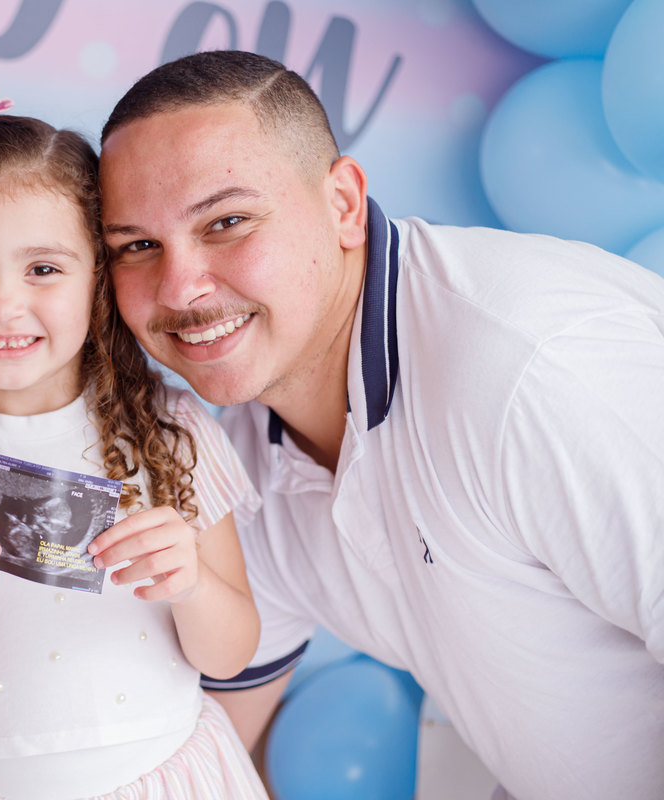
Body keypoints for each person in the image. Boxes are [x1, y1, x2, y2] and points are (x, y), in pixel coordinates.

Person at [97, 49, 664, 800]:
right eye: (137, 246)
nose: (178, 288)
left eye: (227, 222)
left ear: (343, 204)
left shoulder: (531, 372)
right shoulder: (238, 459)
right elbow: (200, 743)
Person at [0, 107, 267, 799]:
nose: (3, 304)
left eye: (42, 268)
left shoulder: (172, 432)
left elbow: (232, 654)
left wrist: (191, 582)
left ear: (97, 278)